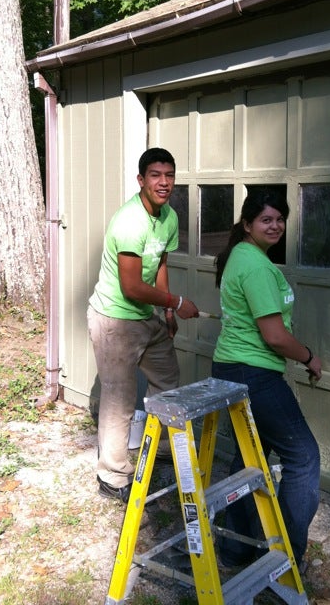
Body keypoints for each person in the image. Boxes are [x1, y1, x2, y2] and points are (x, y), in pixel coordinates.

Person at [211, 189, 322, 571]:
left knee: (249, 461)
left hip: (233, 368)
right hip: (254, 374)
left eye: (279, 219)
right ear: (248, 224)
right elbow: (274, 335)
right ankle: (286, 560)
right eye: (266, 220)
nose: (275, 226)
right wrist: (309, 356)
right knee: (303, 458)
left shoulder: (243, 256)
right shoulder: (256, 266)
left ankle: (234, 552)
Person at [87, 147, 199, 501]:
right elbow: (131, 286)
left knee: (168, 381)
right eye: (155, 175)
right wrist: (177, 303)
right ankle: (113, 475)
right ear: (141, 180)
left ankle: (161, 450)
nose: (163, 182)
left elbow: (161, 261)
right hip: (114, 318)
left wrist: (166, 312)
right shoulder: (129, 220)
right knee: (119, 398)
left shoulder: (169, 217)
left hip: (145, 315)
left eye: (169, 176)